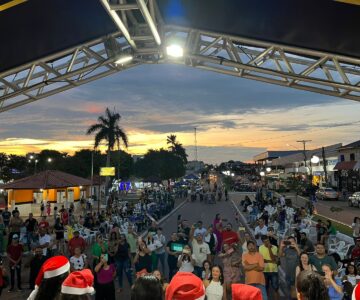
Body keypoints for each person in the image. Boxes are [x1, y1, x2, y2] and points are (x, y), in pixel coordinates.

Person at [259, 235, 279, 300]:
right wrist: (270, 261)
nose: (267, 243)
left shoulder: (274, 247)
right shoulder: (260, 248)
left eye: (268, 241)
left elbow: (273, 259)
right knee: (265, 288)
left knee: (275, 288)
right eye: (265, 242)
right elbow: (261, 260)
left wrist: (269, 248)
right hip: (264, 271)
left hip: (274, 271)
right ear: (262, 242)